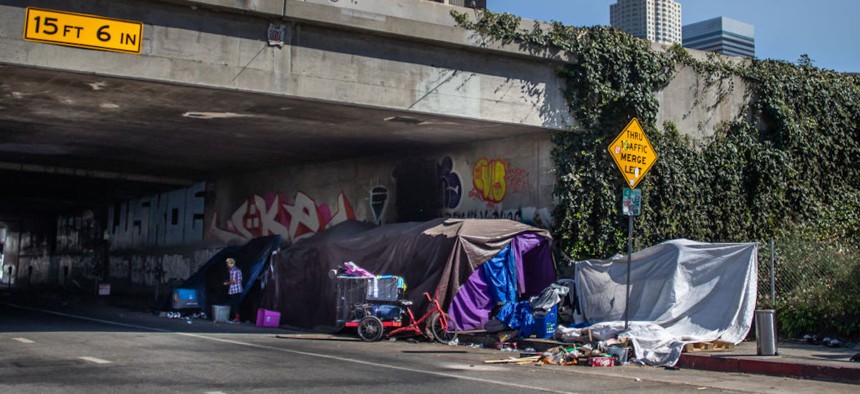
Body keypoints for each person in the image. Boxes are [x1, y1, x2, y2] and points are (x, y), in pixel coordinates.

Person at [223, 258, 243, 323]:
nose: (227, 265)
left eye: (227, 263)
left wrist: (227, 283)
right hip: (237, 289)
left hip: (235, 290)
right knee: (235, 304)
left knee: (235, 304)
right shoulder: (236, 270)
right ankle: (236, 318)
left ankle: (237, 319)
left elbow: (233, 281)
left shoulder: (233, 271)